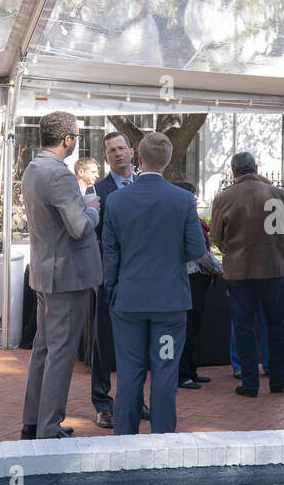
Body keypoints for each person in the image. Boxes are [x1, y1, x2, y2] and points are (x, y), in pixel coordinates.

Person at [102, 132, 206, 435]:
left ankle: (124, 438)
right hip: (168, 301)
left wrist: (113, 290)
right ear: (169, 160)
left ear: (139, 158)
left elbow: (110, 253)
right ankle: (161, 439)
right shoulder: (182, 199)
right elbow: (197, 250)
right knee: (164, 370)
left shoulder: (118, 199)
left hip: (129, 300)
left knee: (130, 372)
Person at [20, 111, 102, 440]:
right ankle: (49, 428)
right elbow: (80, 227)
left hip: (44, 273)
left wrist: (79, 204)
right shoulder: (59, 174)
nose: (76, 143)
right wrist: (92, 209)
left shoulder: (33, 168)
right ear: (67, 139)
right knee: (61, 354)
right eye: (76, 137)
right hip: (66, 277)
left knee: (43, 350)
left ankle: (34, 421)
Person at [210, 152, 284, 397]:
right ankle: (278, 379)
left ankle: (249, 382)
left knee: (244, 327)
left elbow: (217, 237)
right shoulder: (278, 195)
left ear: (233, 171)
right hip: (273, 269)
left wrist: (234, 251)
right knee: (276, 326)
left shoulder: (223, 197)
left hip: (239, 272)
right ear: (256, 168)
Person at [91, 131, 138, 428]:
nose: (118, 154)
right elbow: (93, 237)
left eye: (122, 148)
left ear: (132, 152)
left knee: (136, 345)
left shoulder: (144, 185)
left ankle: (134, 400)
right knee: (103, 344)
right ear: (106, 157)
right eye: (112, 150)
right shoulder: (97, 191)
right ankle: (102, 403)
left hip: (139, 281)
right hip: (109, 280)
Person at [175, 180, 220, 389]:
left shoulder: (192, 218)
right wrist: (219, 269)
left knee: (194, 328)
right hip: (190, 278)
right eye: (192, 194)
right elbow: (200, 252)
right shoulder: (184, 219)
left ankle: (191, 370)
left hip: (198, 278)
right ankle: (183, 374)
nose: (195, 198)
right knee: (187, 328)